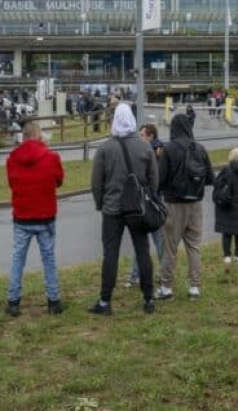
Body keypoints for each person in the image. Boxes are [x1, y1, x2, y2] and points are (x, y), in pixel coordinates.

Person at [90, 104, 158, 315]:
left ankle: (105, 301)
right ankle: (148, 298)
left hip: (113, 208)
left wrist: (101, 203)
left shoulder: (105, 149)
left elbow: (96, 182)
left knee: (110, 254)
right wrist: (148, 199)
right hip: (137, 208)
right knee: (142, 251)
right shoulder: (145, 147)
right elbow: (154, 179)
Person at [5, 121, 65, 317]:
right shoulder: (51, 157)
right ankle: (53, 301)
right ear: (39, 136)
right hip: (45, 216)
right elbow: (59, 181)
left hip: (22, 216)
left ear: (23, 137)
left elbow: (12, 183)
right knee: (49, 259)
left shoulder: (12, 159)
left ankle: (13, 302)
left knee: (17, 259)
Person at [156, 113, 214, 301]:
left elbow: (160, 180)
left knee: (170, 247)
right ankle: (194, 287)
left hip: (173, 204)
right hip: (195, 204)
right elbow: (210, 178)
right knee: (194, 246)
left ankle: (166, 287)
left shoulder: (169, 149)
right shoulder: (200, 148)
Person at [125, 123, 166, 288]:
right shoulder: (144, 151)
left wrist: (152, 195)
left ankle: (163, 273)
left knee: (157, 239)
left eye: (142, 135)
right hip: (143, 199)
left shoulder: (157, 151)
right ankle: (135, 275)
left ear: (151, 136)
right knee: (141, 239)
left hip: (153, 200)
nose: (140, 137)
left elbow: (156, 177)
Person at [213, 148, 238, 264]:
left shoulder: (227, 170)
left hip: (227, 205)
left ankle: (227, 256)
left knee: (227, 232)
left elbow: (217, 185)